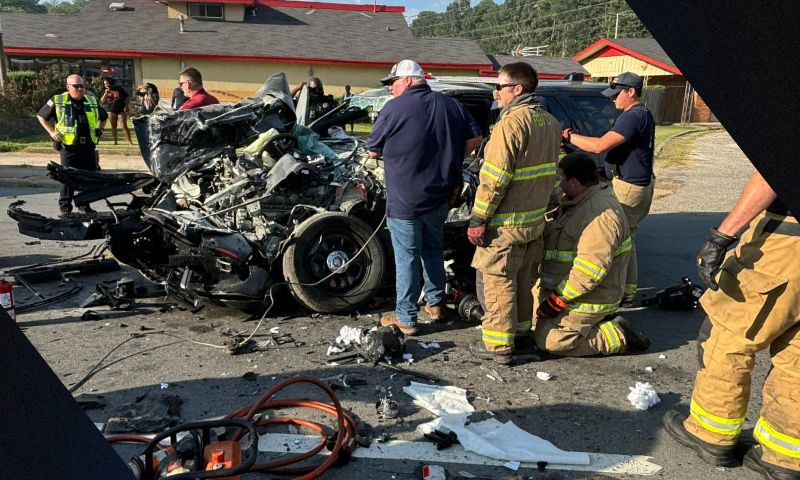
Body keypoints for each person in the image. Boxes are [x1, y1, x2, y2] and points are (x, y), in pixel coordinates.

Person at [663, 171, 800, 479]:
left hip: (787, 240)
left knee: (727, 335)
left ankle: (710, 433)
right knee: (796, 354)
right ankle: (785, 456)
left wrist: (721, 236)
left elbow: (772, 174)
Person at [367, 59, 482, 336]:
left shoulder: (394, 108)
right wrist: (452, 158)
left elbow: (372, 150)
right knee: (432, 251)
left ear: (406, 80)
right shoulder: (452, 105)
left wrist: (398, 154)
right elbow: (476, 139)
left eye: (392, 83)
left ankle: (406, 318)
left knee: (407, 257)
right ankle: (436, 305)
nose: (390, 89)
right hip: (441, 197)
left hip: (406, 200)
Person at [464, 62, 561, 365]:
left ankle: (498, 345)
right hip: (532, 223)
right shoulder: (549, 122)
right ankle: (520, 335)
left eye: (500, 87)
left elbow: (494, 178)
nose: (496, 92)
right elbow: (548, 176)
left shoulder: (511, 124)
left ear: (517, 89)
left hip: (505, 224)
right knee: (521, 282)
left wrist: (479, 218)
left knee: (498, 281)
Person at [532, 152, 651, 358]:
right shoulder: (577, 199)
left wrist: (558, 299)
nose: (558, 185)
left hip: (590, 295)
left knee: (550, 341)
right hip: (561, 285)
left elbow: (589, 271)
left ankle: (618, 334)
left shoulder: (601, 217)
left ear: (574, 181)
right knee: (527, 323)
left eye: (561, 179)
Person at [563, 72, 655, 307]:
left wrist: (570, 136)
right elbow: (619, 151)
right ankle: (628, 291)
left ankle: (622, 292)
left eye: (617, 95)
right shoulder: (640, 115)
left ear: (631, 92)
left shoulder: (633, 116)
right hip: (636, 183)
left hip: (629, 188)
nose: (612, 100)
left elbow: (599, 146)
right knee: (627, 236)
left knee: (618, 238)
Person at [37, 74, 107, 216]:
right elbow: (41, 116)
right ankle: (65, 209)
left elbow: (104, 116)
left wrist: (101, 129)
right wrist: (51, 132)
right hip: (68, 147)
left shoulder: (91, 100)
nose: (80, 89)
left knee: (87, 177)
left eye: (82, 86)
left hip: (88, 146)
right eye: (76, 86)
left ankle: (84, 206)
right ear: (68, 87)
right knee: (67, 178)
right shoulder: (58, 100)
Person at [100, 77, 133, 145]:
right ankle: (115, 141)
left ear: (111, 83)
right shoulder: (104, 90)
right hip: (110, 110)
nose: (105, 85)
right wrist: (105, 93)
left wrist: (126, 105)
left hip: (121, 109)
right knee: (113, 126)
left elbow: (127, 97)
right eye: (104, 84)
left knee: (124, 126)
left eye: (107, 83)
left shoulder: (119, 89)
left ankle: (130, 141)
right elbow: (102, 101)